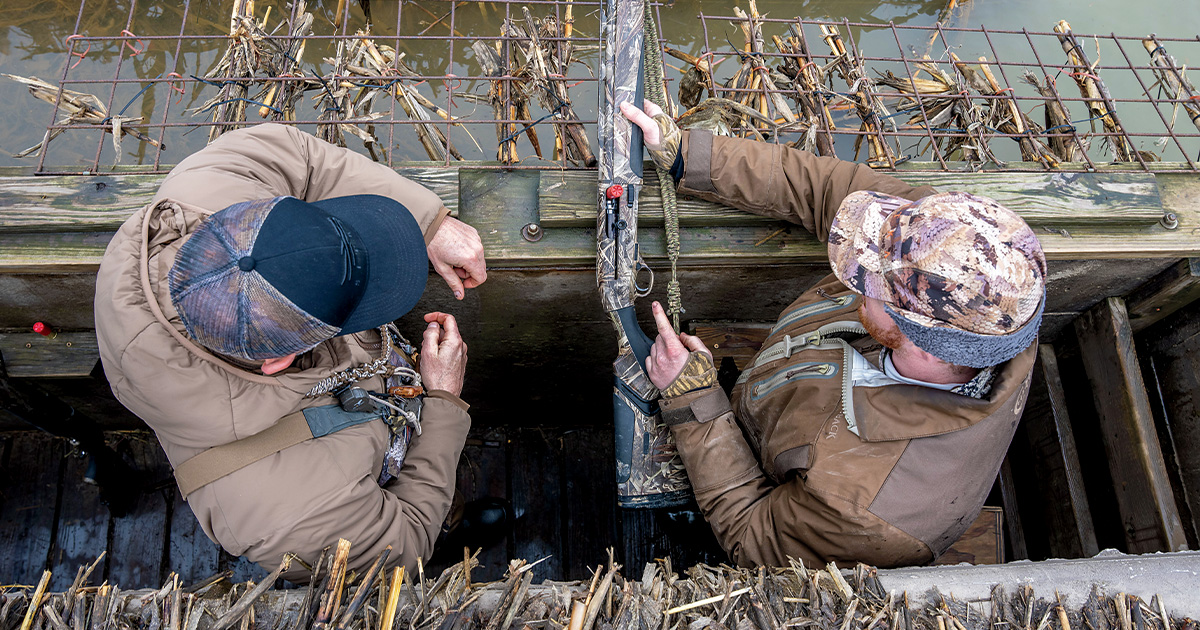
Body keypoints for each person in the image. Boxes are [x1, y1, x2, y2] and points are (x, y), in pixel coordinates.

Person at [621, 101, 1046, 567]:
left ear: (922, 336)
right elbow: (828, 188)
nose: (853, 275)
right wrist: (688, 155)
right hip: (786, 385)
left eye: (872, 284)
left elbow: (751, 532)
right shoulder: (968, 261)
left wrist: (696, 400)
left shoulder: (870, 514)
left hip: (754, 467)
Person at [94, 123, 486, 581]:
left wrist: (427, 223)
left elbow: (292, 152)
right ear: (277, 360)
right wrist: (441, 401)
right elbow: (405, 541)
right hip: (368, 482)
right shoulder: (291, 517)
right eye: (356, 309)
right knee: (436, 525)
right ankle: (455, 528)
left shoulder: (203, 194)